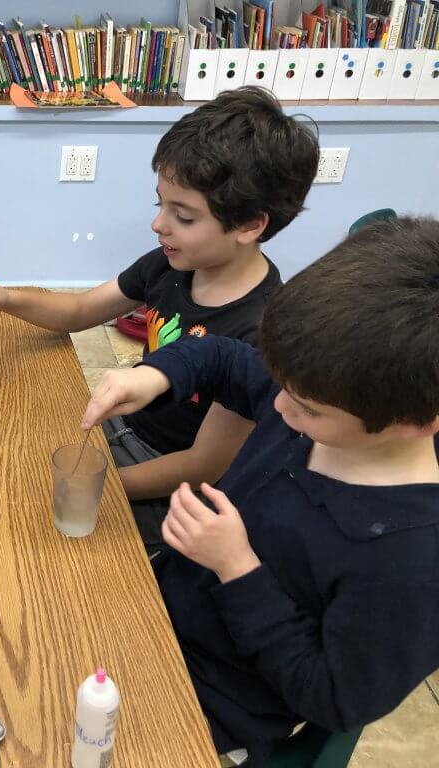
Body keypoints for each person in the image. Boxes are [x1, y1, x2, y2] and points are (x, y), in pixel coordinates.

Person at [80, 216, 439, 765]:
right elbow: (222, 357)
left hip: (209, 708)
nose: (278, 407)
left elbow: (334, 698)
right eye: (281, 382)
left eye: (308, 410)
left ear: (416, 422)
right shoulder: (324, 386)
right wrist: (157, 375)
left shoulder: (412, 561)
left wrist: (237, 568)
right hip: (155, 611)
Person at [0, 87, 318, 549]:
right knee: (1, 460)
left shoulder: (262, 329)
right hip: (121, 427)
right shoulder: (169, 264)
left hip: (171, 481)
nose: (159, 225)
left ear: (251, 225)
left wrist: (105, 486)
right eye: (160, 205)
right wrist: (8, 297)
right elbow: (79, 311)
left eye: (183, 216)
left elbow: (203, 465)